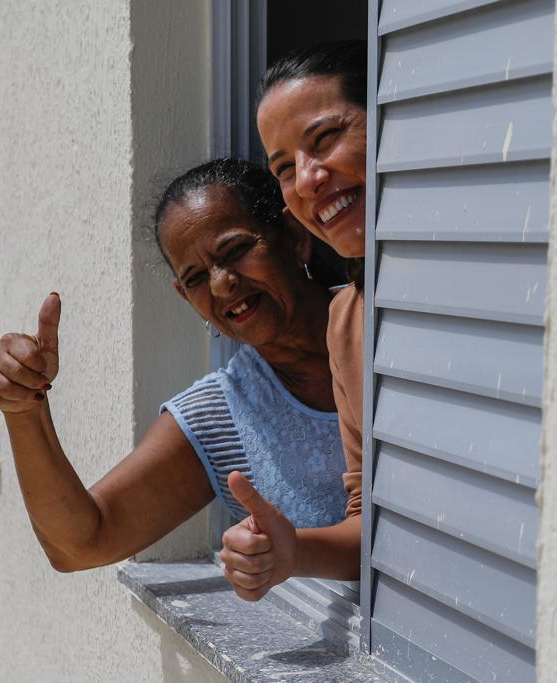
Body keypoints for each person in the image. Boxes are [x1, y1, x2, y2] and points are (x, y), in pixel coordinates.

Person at [0, 159, 360, 600]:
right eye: (195, 278)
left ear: (293, 237)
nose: (221, 284)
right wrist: (24, 410)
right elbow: (79, 545)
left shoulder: (388, 332)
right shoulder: (221, 416)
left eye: (234, 251)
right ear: (184, 296)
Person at [215, 41, 370, 598]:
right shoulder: (347, 322)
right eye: (284, 169)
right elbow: (369, 522)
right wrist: (292, 552)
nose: (307, 180)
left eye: (325, 138)